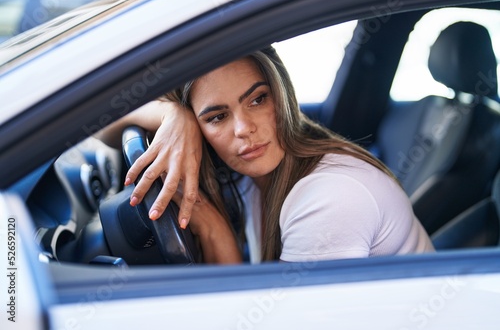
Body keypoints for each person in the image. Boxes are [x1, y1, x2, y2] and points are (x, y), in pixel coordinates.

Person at [99, 46, 434, 264]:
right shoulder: (252, 174)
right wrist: (171, 116)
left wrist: (217, 234)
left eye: (257, 100)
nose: (244, 128)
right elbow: (99, 122)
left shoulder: (329, 198)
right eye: (217, 117)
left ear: (282, 95)